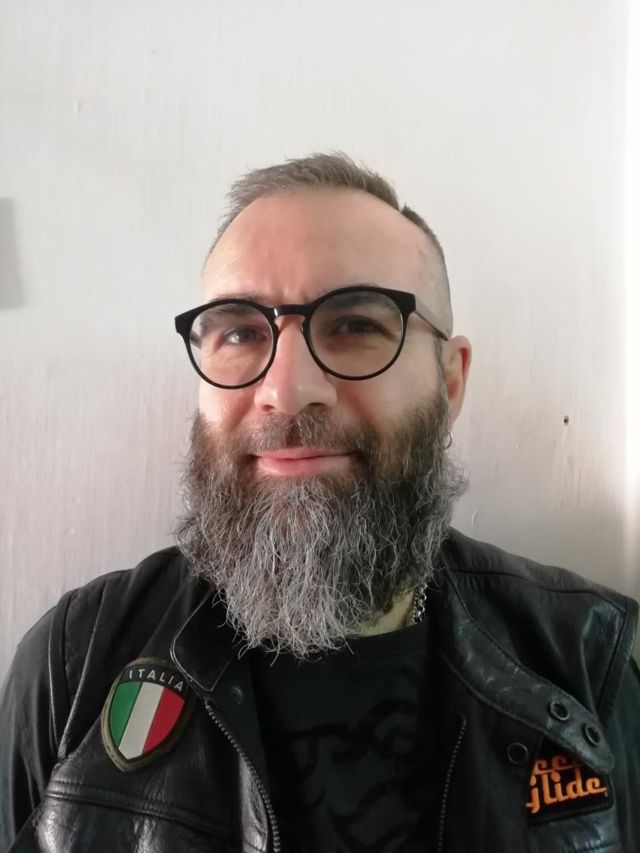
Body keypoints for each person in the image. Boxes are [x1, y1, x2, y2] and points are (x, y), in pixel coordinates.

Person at [1, 152, 638, 853]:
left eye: (355, 325)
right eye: (240, 332)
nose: (288, 388)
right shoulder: (73, 666)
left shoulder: (590, 661)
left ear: (450, 381)